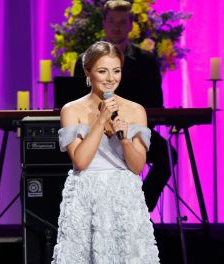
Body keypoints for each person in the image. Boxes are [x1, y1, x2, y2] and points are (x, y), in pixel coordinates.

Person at [53, 41, 159, 263]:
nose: (111, 78)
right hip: (86, 194)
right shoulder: (72, 110)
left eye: (116, 70)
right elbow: (81, 161)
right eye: (103, 71)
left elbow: (138, 166)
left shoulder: (136, 110)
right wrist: (101, 120)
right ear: (88, 72)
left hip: (123, 196)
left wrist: (126, 140)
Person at [73, 0, 175, 212]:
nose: (116, 27)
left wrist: (131, 129)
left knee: (167, 154)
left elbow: (156, 104)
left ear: (131, 25)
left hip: (134, 130)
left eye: (122, 22)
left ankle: (139, 209)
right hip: (95, 131)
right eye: (112, 21)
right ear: (104, 24)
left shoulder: (146, 61)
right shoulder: (86, 59)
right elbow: (77, 103)